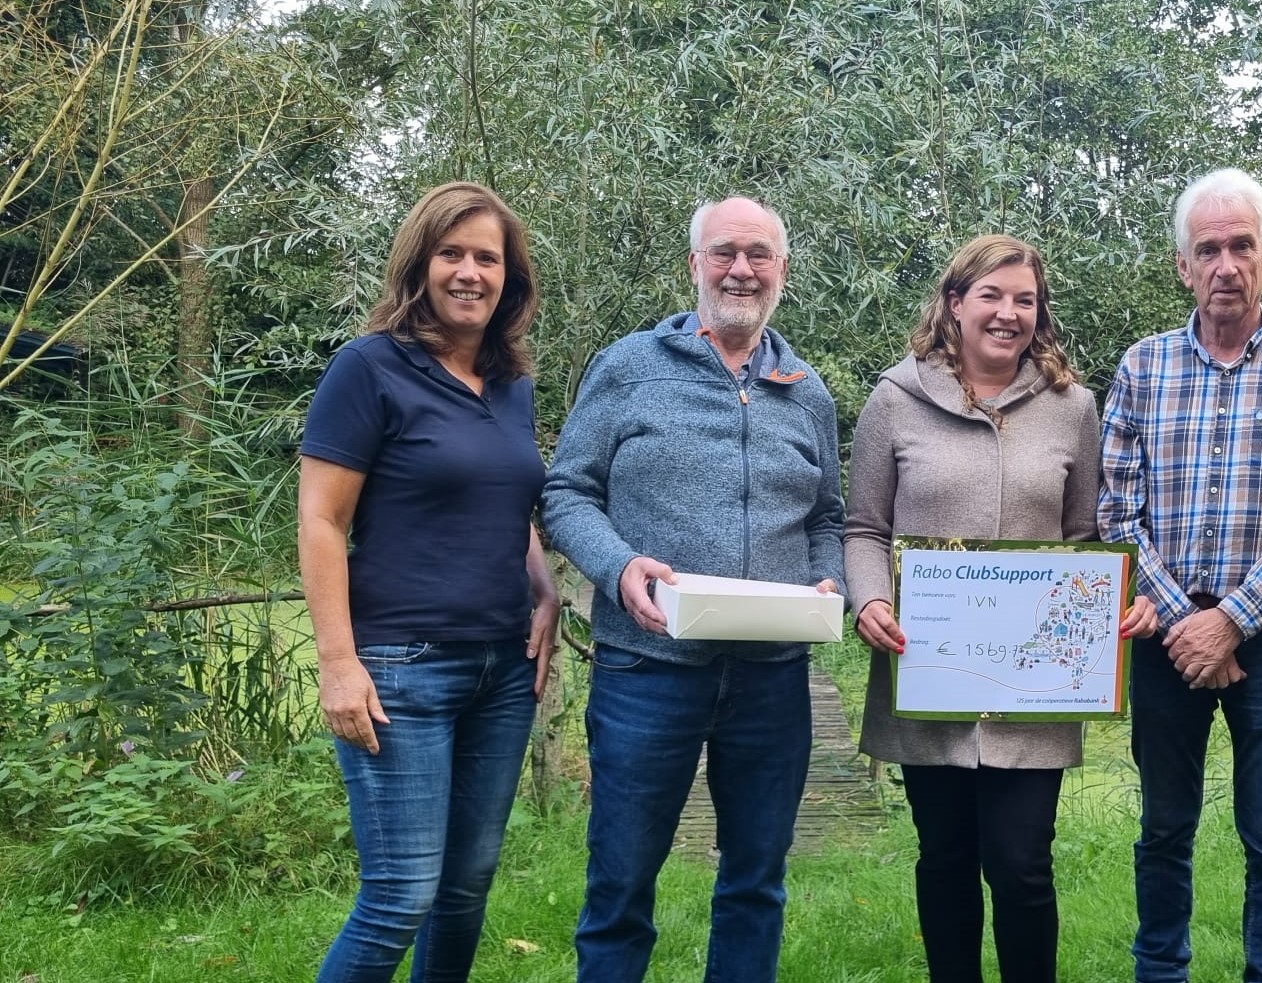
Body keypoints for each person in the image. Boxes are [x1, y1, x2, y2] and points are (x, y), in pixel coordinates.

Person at [541, 196, 846, 983]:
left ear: (783, 270)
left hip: (772, 677)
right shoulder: (628, 368)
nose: (741, 270)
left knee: (756, 883)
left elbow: (827, 517)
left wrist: (831, 579)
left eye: (758, 254)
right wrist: (618, 565)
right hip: (647, 670)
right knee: (620, 884)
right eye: (724, 253)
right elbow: (567, 492)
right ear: (694, 266)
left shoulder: (806, 390)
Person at [843, 234, 1158, 983]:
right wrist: (871, 597)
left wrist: (1121, 602)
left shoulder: (1073, 408)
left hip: (1034, 690)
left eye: (1025, 300)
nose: (1008, 313)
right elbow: (863, 527)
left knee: (1021, 864)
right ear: (955, 304)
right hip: (928, 674)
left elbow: (1084, 539)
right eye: (991, 295)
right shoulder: (895, 399)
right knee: (945, 856)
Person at [1098, 168, 1262, 983]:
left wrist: (1233, 619)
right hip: (1164, 635)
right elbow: (1116, 511)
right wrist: (1188, 622)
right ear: (1182, 265)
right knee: (1164, 828)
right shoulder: (1142, 367)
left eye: (1241, 246)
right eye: (1207, 249)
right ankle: (1160, 971)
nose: (1225, 265)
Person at [299, 181, 559, 983]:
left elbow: (505, 500)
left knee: (465, 886)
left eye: (488, 258)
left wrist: (545, 588)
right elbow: (321, 520)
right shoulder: (369, 368)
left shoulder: (511, 382)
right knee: (400, 894)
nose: (470, 272)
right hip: (400, 667)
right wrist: (337, 661)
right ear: (420, 263)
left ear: (510, 277)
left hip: (502, 669)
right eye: (452, 253)